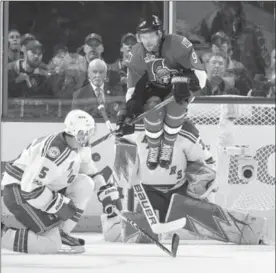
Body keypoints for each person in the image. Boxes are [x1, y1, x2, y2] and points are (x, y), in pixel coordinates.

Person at [1, 110, 121, 254]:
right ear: (79, 133)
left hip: (40, 189)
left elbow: (90, 172)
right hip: (18, 191)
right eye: (88, 132)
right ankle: (4, 235)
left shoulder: (80, 147)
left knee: (85, 184)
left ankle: (59, 232)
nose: (90, 136)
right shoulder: (54, 155)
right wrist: (58, 205)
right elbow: (30, 189)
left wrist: (104, 192)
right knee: (52, 245)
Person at [116, 14, 207, 170]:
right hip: (154, 90)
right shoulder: (136, 54)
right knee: (151, 106)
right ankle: (154, 146)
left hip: (178, 88)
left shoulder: (178, 44)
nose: (148, 41)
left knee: (177, 104)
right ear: (139, 37)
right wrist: (129, 110)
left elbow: (201, 76)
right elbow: (133, 89)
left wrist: (184, 81)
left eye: (151, 35)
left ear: (160, 34)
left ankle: (168, 144)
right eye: (144, 36)